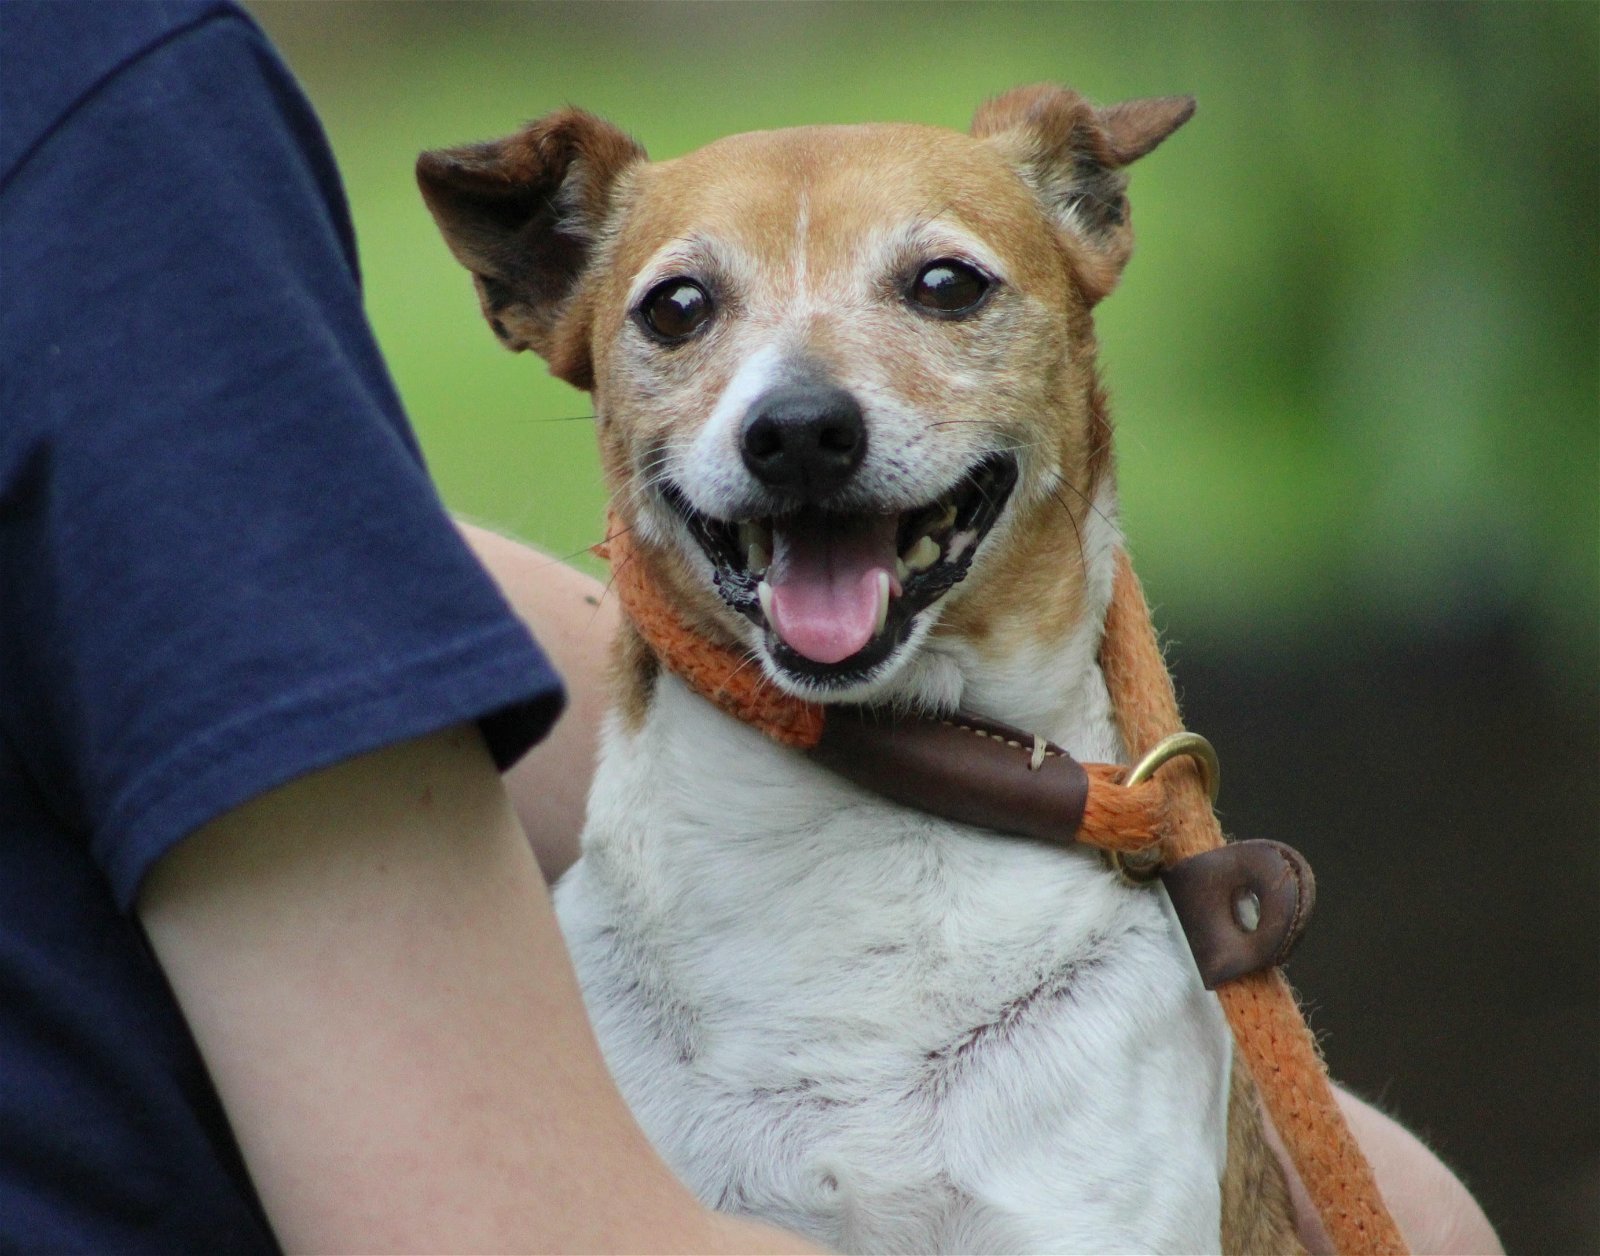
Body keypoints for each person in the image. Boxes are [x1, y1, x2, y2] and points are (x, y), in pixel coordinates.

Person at [0, 2, 1495, 1251]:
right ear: (549, 300)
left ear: (1090, 234)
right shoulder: (566, 1011)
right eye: (678, 314)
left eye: (940, 287)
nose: (793, 411)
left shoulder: (1124, 1032)